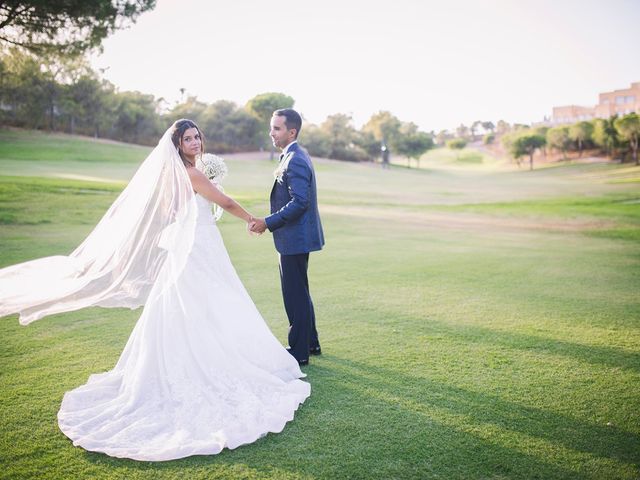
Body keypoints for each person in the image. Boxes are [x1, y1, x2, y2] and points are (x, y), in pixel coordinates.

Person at [0, 119, 310, 461]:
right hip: (197, 249)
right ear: (176, 144)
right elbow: (224, 202)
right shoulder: (191, 175)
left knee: (198, 306)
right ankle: (207, 365)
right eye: (187, 139)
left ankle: (203, 355)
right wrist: (255, 220)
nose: (194, 142)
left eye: (196, 137)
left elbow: (173, 213)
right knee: (209, 302)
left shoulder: (176, 174)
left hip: (189, 246)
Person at [250, 109, 325, 366]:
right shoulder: (292, 156)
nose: (272, 132)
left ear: (291, 132)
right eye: (272, 128)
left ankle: (299, 351)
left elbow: (300, 202)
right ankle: (310, 343)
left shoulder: (295, 159)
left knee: (294, 295)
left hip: (295, 238)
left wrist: (267, 223)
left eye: (277, 128)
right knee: (300, 292)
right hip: (294, 237)